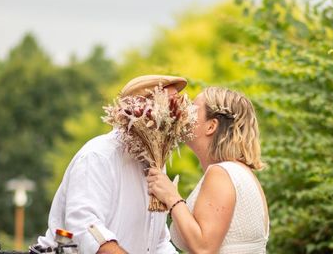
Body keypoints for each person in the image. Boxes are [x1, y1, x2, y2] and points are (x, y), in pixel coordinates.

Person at [35, 74, 187, 254]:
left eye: (179, 106)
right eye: (170, 105)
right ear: (139, 109)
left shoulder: (156, 164)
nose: (178, 114)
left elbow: (158, 241)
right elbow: (85, 227)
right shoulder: (98, 156)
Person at [147, 87, 269, 254]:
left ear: (211, 126)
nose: (184, 114)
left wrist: (172, 197)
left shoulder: (222, 173)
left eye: (193, 110)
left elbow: (204, 248)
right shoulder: (240, 172)